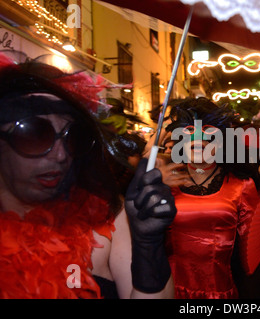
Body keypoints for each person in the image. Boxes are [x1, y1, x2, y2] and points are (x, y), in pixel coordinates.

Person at [0, 60, 175, 299]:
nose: (61, 154)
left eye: (72, 136)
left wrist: (149, 247)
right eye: (36, 133)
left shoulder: (109, 217)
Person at [160, 97, 260, 299]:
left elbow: (253, 250)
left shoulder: (241, 185)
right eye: (189, 132)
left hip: (219, 291)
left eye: (208, 135)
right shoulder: (165, 183)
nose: (199, 140)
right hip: (169, 290)